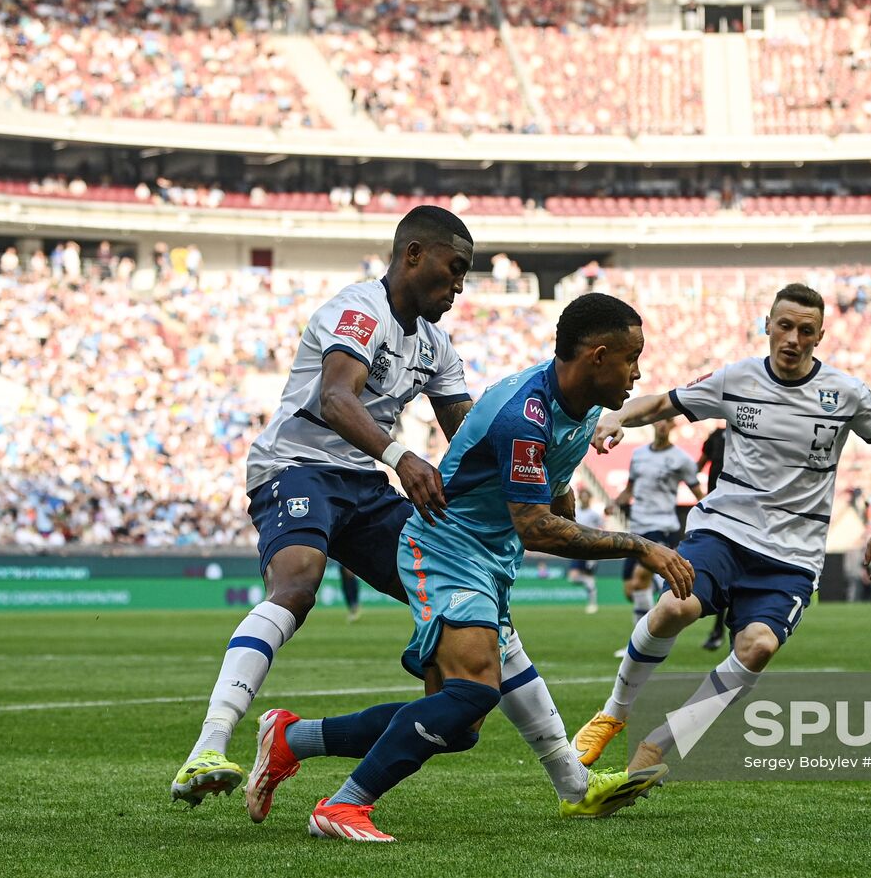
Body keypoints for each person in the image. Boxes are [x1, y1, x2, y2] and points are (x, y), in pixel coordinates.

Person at [249, 293, 696, 841]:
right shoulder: (524, 414)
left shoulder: (578, 410)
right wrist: (639, 546)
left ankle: (293, 740)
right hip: (446, 549)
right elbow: (536, 528)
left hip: (487, 559)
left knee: (459, 723)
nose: (638, 371)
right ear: (599, 356)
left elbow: (552, 495)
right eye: (632, 357)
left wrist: (567, 503)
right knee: (475, 691)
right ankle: (343, 805)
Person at [171, 206, 478, 803]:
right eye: (455, 268)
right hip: (296, 467)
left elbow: (466, 436)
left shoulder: (438, 346)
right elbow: (336, 399)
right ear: (413, 254)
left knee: (454, 611)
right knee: (298, 584)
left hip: (363, 486)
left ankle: (292, 740)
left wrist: (545, 460)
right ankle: (207, 744)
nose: (460, 285)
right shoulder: (359, 309)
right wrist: (402, 456)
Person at [571, 283, 871, 772]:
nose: (792, 338)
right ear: (768, 326)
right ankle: (612, 715)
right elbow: (663, 404)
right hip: (724, 533)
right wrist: (619, 416)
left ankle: (659, 745)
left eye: (805, 330)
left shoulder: (844, 394)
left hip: (792, 557)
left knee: (758, 647)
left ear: (820, 336)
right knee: (674, 607)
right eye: (784, 326)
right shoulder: (737, 379)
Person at [609, 417, 704, 653]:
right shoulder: (639, 454)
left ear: (673, 426)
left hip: (662, 526)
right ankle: (658, 586)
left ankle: (640, 644)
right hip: (637, 526)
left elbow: (698, 492)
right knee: (631, 590)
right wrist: (615, 503)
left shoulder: (681, 459)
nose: (662, 424)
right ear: (653, 425)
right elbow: (630, 489)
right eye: (659, 421)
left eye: (668, 421)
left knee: (640, 577)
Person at [696, 422, 728, 650]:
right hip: (712, 508)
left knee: (730, 571)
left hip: (740, 510)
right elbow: (698, 464)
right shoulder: (716, 435)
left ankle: (722, 629)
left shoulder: (755, 429)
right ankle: (718, 628)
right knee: (720, 568)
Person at [568, 489, 604, 613]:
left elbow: (602, 528)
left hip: (590, 548)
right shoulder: (575, 512)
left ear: (589, 498)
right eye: (582, 496)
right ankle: (590, 586)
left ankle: (592, 603)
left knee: (589, 575)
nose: (584, 499)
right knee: (573, 577)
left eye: (586, 497)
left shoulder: (594, 514)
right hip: (577, 548)